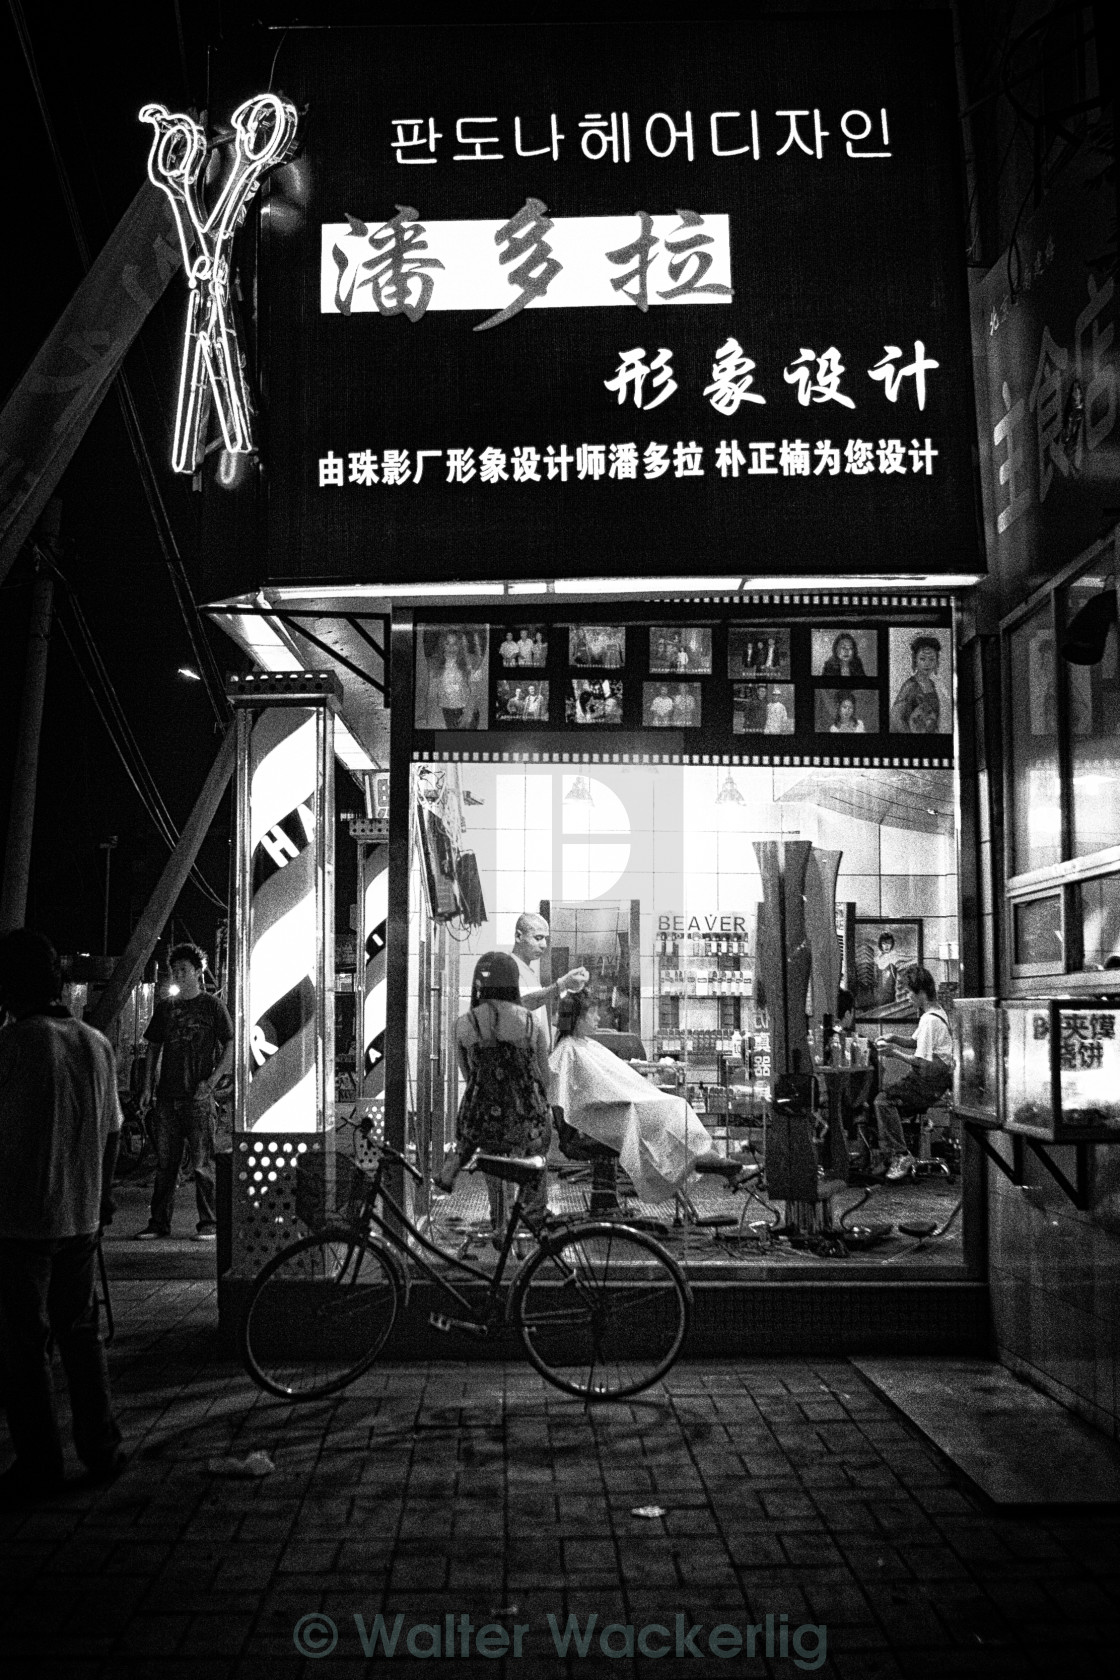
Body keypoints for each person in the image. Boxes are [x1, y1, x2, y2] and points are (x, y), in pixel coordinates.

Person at [0, 930, 125, 1505]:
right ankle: (101, 1448)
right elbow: (112, 1133)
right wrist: (100, 1198)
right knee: (81, 1335)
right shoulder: (95, 1043)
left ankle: (41, 1461)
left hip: (22, 1219)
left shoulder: (16, 1044)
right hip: (81, 1215)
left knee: (25, 1346)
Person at [549, 990, 722, 1202]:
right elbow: (589, 1095)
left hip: (608, 1116)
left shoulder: (583, 1046)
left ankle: (694, 1156)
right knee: (671, 1110)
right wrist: (629, 1097)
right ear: (577, 1019)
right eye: (592, 1014)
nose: (598, 1018)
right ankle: (693, 1157)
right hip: (591, 1126)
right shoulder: (569, 1051)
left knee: (676, 1106)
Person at [435, 953, 552, 1239]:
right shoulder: (530, 1022)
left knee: (493, 1160)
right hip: (527, 1119)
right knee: (532, 1163)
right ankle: (531, 1221)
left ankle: (498, 1220)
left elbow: (468, 1074)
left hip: (482, 1120)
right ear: (513, 981)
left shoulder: (464, 1024)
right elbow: (544, 1076)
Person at [135, 944, 233, 1242]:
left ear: (198, 971)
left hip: (200, 1098)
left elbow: (231, 1044)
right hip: (166, 1097)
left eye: (183, 970)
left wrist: (213, 1081)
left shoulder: (212, 1006)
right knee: (166, 1165)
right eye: (174, 970)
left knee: (204, 1164)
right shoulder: (166, 1007)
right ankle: (158, 1224)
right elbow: (153, 1047)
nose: (178, 974)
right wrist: (147, 1086)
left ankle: (209, 1224)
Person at [874, 966, 953, 1180]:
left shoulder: (929, 1020)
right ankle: (890, 1155)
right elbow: (916, 1042)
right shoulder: (936, 1013)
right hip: (935, 1083)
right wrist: (894, 1038)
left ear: (920, 992)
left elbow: (921, 1062)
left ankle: (900, 1154)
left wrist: (894, 1053)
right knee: (885, 1099)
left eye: (909, 992)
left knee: (883, 1101)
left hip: (928, 1084)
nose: (907, 997)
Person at [510, 913, 589, 1047]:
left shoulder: (529, 972)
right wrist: (563, 984)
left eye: (545, 939)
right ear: (519, 936)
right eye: (538, 938)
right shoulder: (507, 967)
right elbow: (518, 1006)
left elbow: (535, 1012)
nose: (544, 945)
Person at [889, 634, 944, 733]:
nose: (927, 664)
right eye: (922, 659)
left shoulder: (932, 685)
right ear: (915, 660)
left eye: (931, 659)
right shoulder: (910, 686)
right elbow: (895, 717)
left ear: (936, 661)